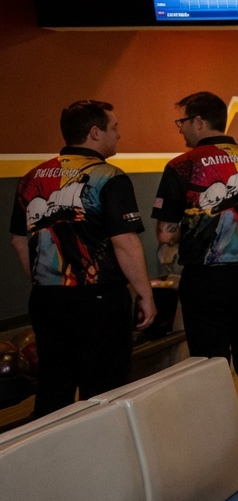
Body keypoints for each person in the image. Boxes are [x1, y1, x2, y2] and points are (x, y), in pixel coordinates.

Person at [152, 91, 238, 482]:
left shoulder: (180, 166)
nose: (180, 130)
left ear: (199, 122)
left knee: (210, 368)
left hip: (204, 278)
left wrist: (199, 230)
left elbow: (166, 232)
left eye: (182, 122)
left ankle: (216, 463)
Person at [9, 100, 154, 417]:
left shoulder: (31, 177)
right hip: (98, 300)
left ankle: (50, 448)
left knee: (54, 388)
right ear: (95, 132)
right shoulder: (109, 176)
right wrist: (145, 293)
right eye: (114, 128)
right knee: (104, 394)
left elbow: (19, 240)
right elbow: (125, 243)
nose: (119, 135)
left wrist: (45, 280)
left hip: (46, 299)